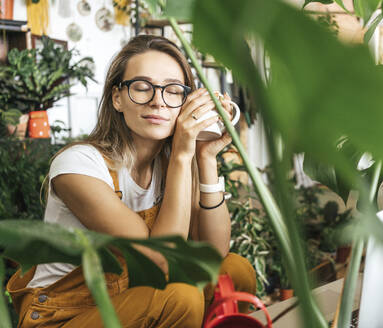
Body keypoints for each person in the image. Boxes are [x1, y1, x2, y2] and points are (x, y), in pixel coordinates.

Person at [7, 35, 256, 328]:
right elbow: (157, 262)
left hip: (133, 299)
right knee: (180, 296)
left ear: (184, 101)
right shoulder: (78, 164)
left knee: (234, 270)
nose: (158, 101)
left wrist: (205, 156)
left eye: (173, 91)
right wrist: (181, 155)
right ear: (117, 98)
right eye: (141, 87)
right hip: (64, 316)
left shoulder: (176, 161)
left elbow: (214, 253)